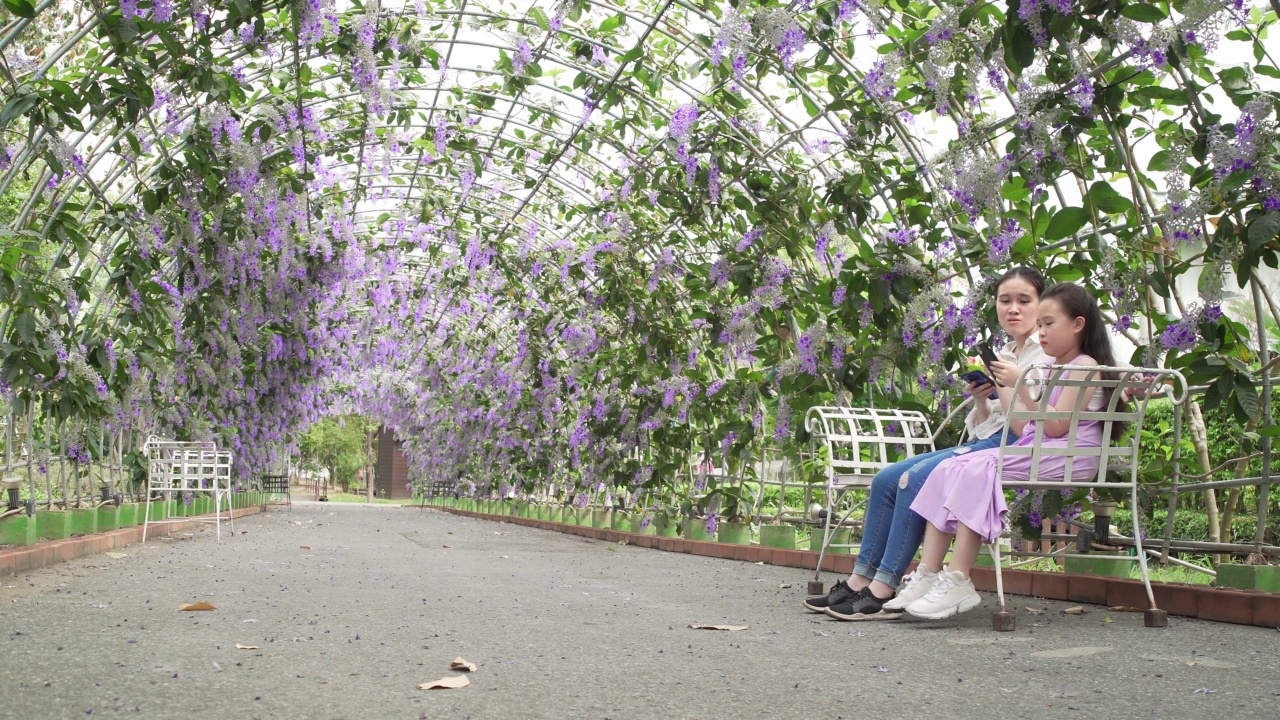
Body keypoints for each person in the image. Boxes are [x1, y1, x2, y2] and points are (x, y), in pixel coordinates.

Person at [804, 266, 1047, 621]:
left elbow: (1023, 424)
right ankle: (860, 579)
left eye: (1024, 300)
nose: (1013, 309)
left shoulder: (1043, 357)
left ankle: (883, 588)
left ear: (1042, 305)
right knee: (886, 479)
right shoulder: (1004, 352)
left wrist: (1009, 382)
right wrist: (981, 398)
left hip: (1010, 448)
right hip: (988, 439)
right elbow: (983, 425)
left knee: (913, 478)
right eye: (1004, 300)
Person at [890, 282, 1121, 620]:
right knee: (949, 466)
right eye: (1039, 325)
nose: (1040, 333)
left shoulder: (1084, 366)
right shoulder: (1055, 368)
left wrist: (1024, 380)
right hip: (1042, 451)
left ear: (1078, 324)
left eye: (1048, 323)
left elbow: (1057, 426)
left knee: (976, 467)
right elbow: (1025, 426)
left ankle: (958, 577)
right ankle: (928, 571)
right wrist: (1005, 385)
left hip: (1068, 456)